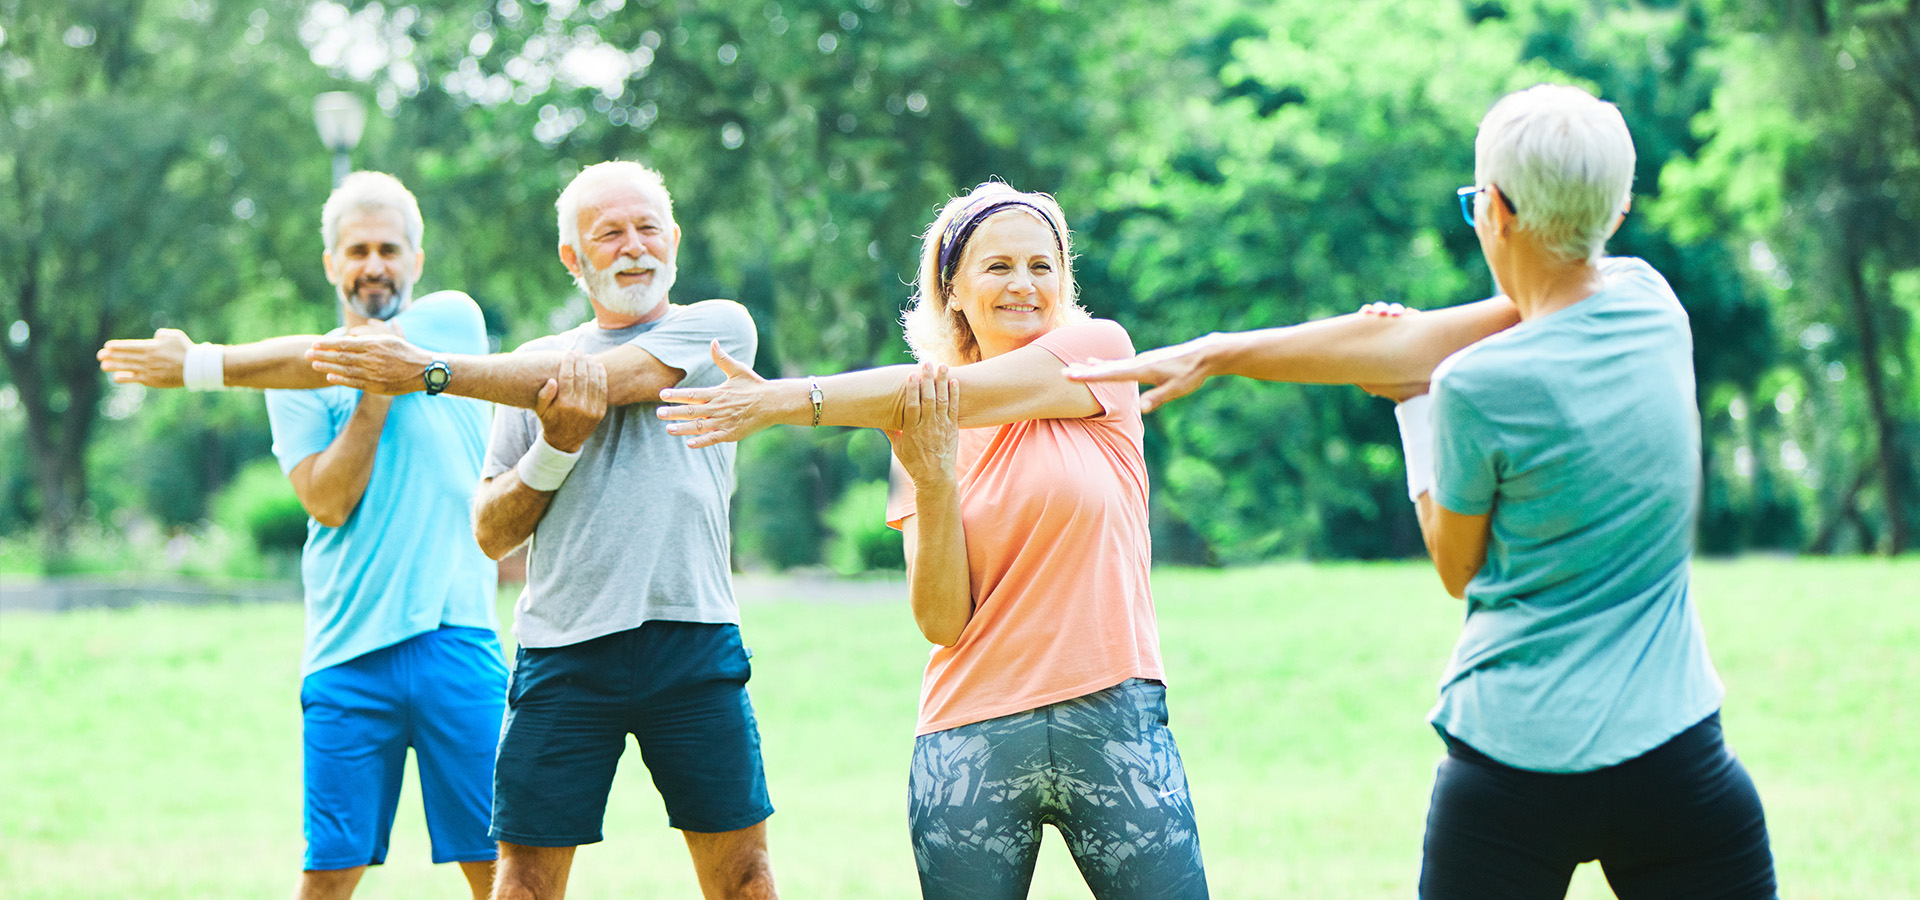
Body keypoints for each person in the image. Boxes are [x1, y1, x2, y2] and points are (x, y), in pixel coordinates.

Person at [1069, 84, 1777, 899]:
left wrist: (1415, 410)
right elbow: (1409, 338)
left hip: (1516, 765)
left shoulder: (1477, 386)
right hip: (1678, 758)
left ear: (1496, 213)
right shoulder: (1652, 302)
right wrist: (1220, 350)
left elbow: (1455, 565)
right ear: (1615, 213)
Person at [655, 182, 1207, 900]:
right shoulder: (917, 427)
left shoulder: (1101, 358)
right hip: (970, 735)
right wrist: (936, 480)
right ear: (954, 290)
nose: (1025, 284)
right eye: (999, 266)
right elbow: (941, 621)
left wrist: (781, 401)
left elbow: (949, 393)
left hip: (1113, 717)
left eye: (1044, 266)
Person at [302, 160, 776, 900]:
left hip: (692, 640)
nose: (633, 247)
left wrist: (426, 370)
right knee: (520, 886)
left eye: (648, 228)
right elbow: (491, 533)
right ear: (573, 259)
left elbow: (612, 380)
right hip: (563, 654)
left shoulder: (718, 333)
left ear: (674, 239)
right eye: (609, 233)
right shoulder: (524, 371)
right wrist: (555, 448)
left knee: (745, 881)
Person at [96, 171, 505, 900]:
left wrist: (198, 364)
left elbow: (376, 352)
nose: (373, 265)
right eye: (356, 250)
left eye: (388, 248)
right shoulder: (292, 377)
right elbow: (329, 502)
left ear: (415, 259)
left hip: (457, 635)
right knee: (328, 873)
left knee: (504, 873)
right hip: (347, 653)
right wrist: (373, 406)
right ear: (330, 265)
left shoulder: (452, 323)